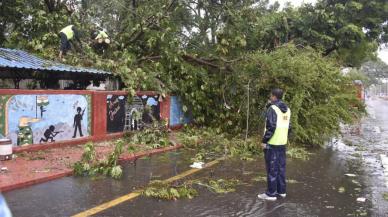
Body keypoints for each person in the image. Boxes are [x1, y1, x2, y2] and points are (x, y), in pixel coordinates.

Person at [258, 88, 291, 201]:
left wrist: (264, 140)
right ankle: (281, 191)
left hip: (272, 143)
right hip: (282, 143)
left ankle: (271, 194)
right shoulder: (287, 110)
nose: (270, 97)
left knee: (272, 168)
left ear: (274, 96)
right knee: (281, 168)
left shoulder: (273, 108)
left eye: (271, 96)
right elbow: (289, 127)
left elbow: (271, 126)